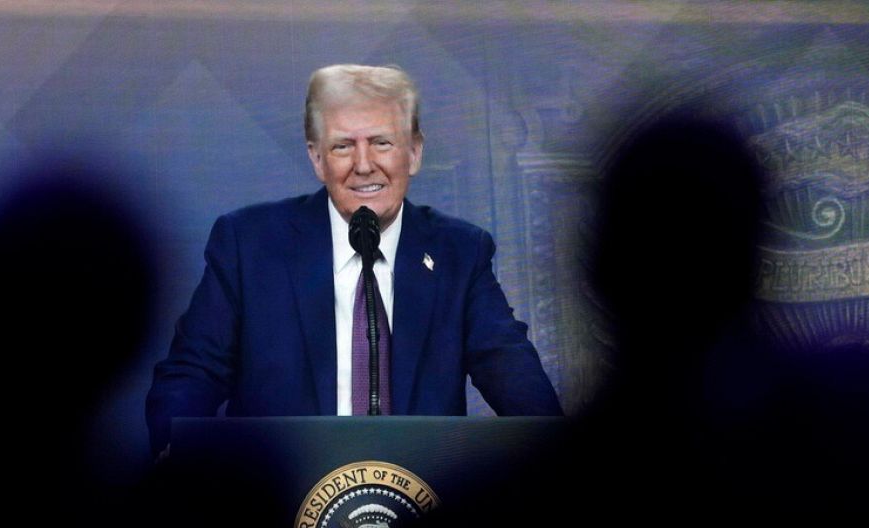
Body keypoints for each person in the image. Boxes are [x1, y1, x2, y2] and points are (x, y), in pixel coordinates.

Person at [146, 64, 561, 451]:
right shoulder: (250, 244)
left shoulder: (459, 251)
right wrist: (176, 454)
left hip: (418, 496)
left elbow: (507, 364)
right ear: (316, 157)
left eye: (382, 143)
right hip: (281, 500)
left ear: (413, 152)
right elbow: (194, 371)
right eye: (343, 146)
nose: (364, 166)